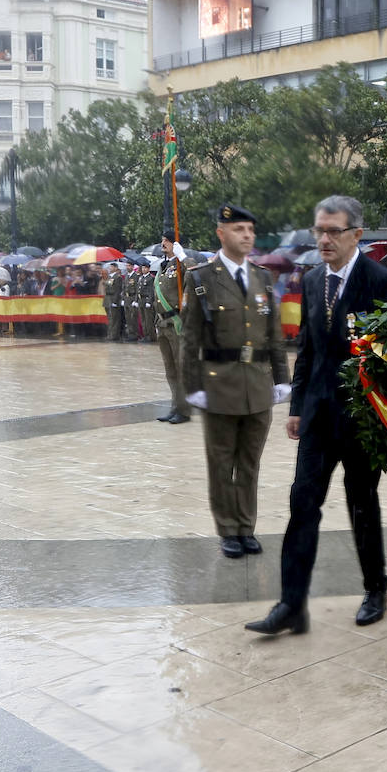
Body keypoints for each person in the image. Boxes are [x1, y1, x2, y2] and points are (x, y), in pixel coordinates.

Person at [245, 195, 387, 636]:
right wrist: (296, 407)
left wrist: (386, 417)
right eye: (319, 231)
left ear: (356, 234)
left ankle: (376, 588)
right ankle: (291, 604)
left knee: (361, 504)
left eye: (333, 231)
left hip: (362, 416)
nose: (324, 239)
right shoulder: (311, 281)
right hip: (316, 416)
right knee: (302, 504)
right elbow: (308, 348)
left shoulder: (380, 281)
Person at [180, 204, 290, 559]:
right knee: (221, 462)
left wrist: (282, 379)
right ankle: (228, 530)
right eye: (239, 229)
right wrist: (193, 387)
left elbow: (274, 335)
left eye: (250, 230)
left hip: (257, 384)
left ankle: (246, 527)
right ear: (221, 233)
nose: (247, 236)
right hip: (219, 383)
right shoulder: (201, 278)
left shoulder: (262, 278)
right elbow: (189, 340)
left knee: (250, 463)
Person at [155, 229, 192, 425]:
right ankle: (175, 406)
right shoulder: (163, 266)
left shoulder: (181, 264)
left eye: (167, 241)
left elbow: (196, 275)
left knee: (180, 368)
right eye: (163, 240)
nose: (163, 243)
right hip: (163, 323)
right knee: (170, 369)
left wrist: (183, 256)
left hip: (177, 322)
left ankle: (184, 410)